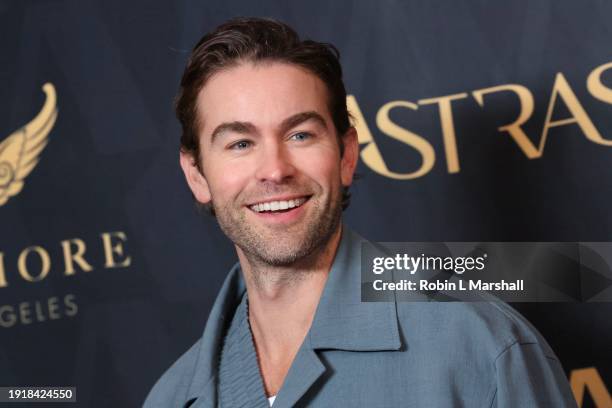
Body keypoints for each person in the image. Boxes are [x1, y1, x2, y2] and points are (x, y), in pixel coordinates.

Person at [144, 17, 577, 408]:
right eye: (240, 143)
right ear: (197, 174)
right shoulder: (171, 397)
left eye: (300, 134)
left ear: (347, 155)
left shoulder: (481, 346)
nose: (275, 169)